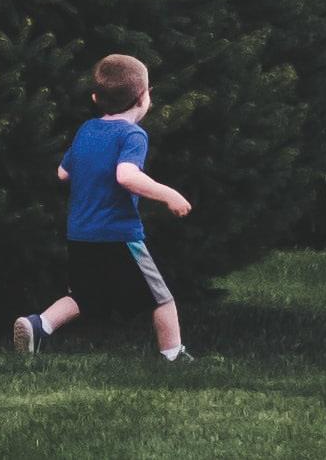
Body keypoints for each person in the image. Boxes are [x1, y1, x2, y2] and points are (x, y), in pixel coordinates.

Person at [12, 50, 194, 365]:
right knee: (161, 297)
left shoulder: (87, 130)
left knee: (83, 295)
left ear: (96, 98)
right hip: (119, 234)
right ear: (143, 97)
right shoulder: (132, 134)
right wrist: (169, 194)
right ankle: (173, 356)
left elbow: (62, 172)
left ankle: (39, 324)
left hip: (81, 233)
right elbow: (126, 176)